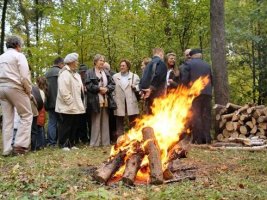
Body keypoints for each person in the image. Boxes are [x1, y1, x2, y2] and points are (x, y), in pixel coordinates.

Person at [0, 35, 33, 156]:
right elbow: (24, 77)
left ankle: (6, 149)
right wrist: (28, 91)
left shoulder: (1, 57)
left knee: (7, 120)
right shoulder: (19, 56)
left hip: (1, 89)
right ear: (18, 45)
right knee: (26, 115)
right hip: (15, 87)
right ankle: (19, 146)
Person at [181, 49, 213, 144]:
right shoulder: (207, 65)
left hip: (195, 93)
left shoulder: (188, 64)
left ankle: (198, 139)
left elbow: (184, 80)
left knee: (196, 115)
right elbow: (212, 79)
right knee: (206, 116)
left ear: (191, 56)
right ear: (200, 55)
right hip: (207, 94)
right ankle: (207, 138)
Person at [55, 53, 85, 150]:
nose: (77, 63)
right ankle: (63, 144)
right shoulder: (64, 74)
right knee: (65, 125)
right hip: (67, 105)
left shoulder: (76, 74)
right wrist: (70, 102)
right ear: (71, 62)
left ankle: (72, 143)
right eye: (76, 61)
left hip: (76, 104)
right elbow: (64, 91)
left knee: (74, 125)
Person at [86, 54, 116, 147]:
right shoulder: (89, 72)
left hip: (106, 98)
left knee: (105, 120)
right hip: (95, 99)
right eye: (100, 60)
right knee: (95, 120)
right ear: (95, 61)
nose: (102, 62)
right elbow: (88, 85)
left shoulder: (106, 72)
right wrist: (99, 89)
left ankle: (105, 142)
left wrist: (107, 89)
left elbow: (112, 84)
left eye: (103, 60)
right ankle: (95, 143)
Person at [113, 59, 140, 137]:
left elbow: (140, 86)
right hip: (119, 101)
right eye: (121, 66)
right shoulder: (115, 77)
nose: (121, 67)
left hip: (131, 101)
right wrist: (114, 98)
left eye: (123, 65)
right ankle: (120, 139)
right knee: (119, 121)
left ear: (128, 67)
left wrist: (135, 87)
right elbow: (112, 89)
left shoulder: (134, 76)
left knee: (133, 121)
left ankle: (134, 138)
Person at [140, 48, 167, 114]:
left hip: (148, 96)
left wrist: (143, 90)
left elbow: (143, 79)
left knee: (150, 116)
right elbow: (158, 76)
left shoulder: (149, 64)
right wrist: (151, 88)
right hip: (157, 95)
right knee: (158, 116)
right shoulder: (160, 63)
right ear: (161, 53)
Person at [45, 57, 64, 147]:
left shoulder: (47, 73)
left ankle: (51, 142)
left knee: (52, 122)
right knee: (61, 122)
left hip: (49, 102)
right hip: (59, 101)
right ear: (60, 64)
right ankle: (60, 141)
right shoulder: (60, 72)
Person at [103, 61, 117, 143]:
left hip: (112, 100)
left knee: (113, 119)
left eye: (106, 68)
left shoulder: (113, 75)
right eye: (104, 68)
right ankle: (107, 137)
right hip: (103, 99)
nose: (105, 70)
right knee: (106, 119)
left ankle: (113, 137)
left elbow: (114, 86)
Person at [76, 64, 90, 144]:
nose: (83, 74)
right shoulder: (77, 80)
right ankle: (82, 138)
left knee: (89, 122)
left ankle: (88, 138)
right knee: (81, 123)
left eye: (84, 72)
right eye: (82, 72)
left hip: (88, 104)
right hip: (80, 105)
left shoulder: (89, 79)